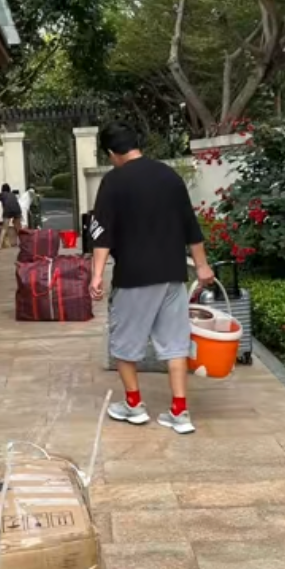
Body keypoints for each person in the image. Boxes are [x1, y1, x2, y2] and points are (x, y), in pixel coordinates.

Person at [90, 125, 214, 433]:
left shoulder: (113, 181)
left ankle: (134, 406)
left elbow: (102, 234)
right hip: (173, 275)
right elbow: (191, 226)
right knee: (175, 344)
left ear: (112, 153)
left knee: (125, 344)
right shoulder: (169, 176)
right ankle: (180, 412)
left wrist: (96, 275)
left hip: (134, 277)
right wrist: (202, 266)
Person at [0, 183, 22, 248]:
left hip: (7, 211)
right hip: (17, 210)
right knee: (18, 227)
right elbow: (15, 203)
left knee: (4, 228)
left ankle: (0, 245)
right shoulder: (12, 194)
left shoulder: (2, 194)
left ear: (2, 189)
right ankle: (21, 242)